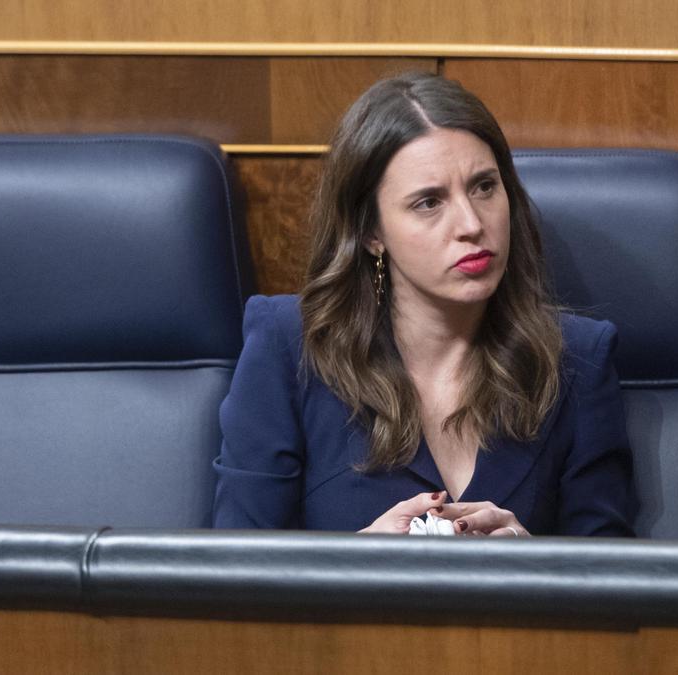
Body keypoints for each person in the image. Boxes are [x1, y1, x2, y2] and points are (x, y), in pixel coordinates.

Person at [211, 72, 634, 537]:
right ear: (372, 233)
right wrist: (353, 568)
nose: (471, 223)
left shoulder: (577, 359)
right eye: (429, 202)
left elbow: (612, 586)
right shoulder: (288, 347)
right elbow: (234, 575)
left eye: (484, 187)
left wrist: (534, 568)